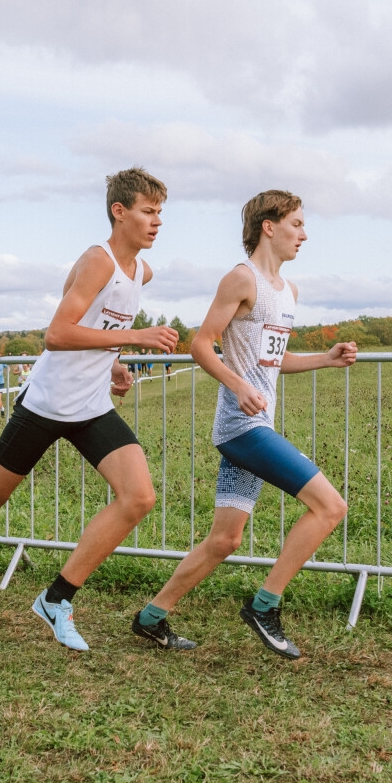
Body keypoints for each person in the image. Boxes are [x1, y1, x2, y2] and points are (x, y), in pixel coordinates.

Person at [0, 167, 178, 650]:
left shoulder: (140, 272)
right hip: (45, 403)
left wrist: (113, 366)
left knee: (138, 497)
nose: (157, 222)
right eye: (149, 212)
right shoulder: (98, 261)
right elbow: (57, 334)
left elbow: (93, 330)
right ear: (119, 211)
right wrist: (134, 337)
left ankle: (57, 599)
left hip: (89, 406)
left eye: (160, 213)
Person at [132, 190, 357, 659]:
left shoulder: (288, 292)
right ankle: (265, 605)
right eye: (296, 223)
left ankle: (150, 617)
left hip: (256, 424)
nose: (304, 233)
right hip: (242, 429)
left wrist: (326, 360)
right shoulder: (242, 279)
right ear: (268, 227)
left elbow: (273, 363)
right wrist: (237, 385)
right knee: (330, 507)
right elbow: (201, 344)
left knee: (225, 539)